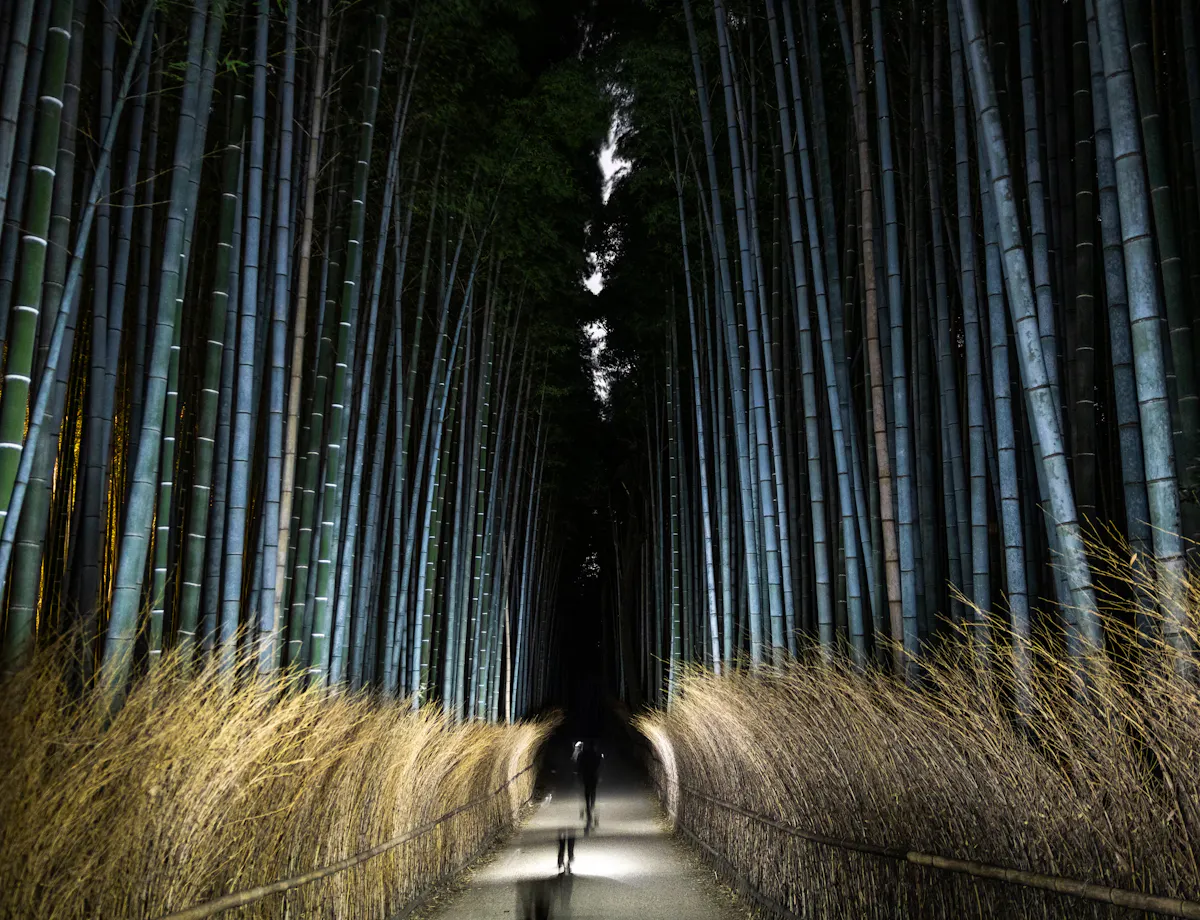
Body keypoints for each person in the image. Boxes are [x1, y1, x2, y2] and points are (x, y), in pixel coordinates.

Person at [571, 739, 603, 832]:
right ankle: (591, 806)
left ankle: (588, 808)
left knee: (586, 792)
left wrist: (579, 774)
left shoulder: (582, 754)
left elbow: (579, 765)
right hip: (593, 775)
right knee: (593, 791)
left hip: (586, 775)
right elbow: (600, 764)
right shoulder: (596, 754)